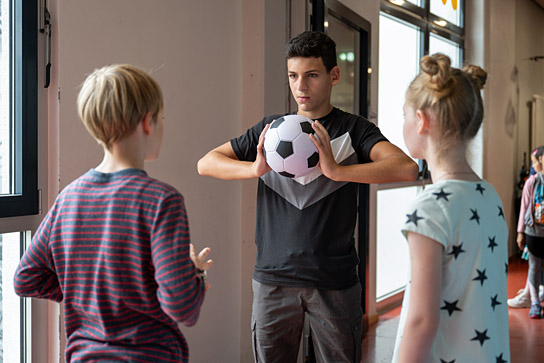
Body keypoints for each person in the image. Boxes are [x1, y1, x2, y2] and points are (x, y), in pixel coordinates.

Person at [197, 30, 418, 362]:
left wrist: (337, 170)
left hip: (335, 282)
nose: (300, 86)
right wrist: (254, 169)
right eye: (293, 75)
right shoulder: (270, 131)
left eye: (312, 75)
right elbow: (206, 162)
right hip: (273, 279)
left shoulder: (353, 130)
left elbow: (405, 168)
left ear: (334, 75)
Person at [13, 64, 213, 363]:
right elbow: (182, 307)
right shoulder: (161, 201)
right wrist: (195, 274)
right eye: (160, 117)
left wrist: (92, 297)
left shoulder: (67, 199)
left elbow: (26, 278)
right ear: (147, 122)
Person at [391, 54, 510, 362]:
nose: (402, 123)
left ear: (421, 121)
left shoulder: (430, 209)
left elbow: (421, 321)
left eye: (404, 115)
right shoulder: (489, 195)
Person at [512, 146, 544, 318]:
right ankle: (534, 303)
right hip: (534, 231)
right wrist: (520, 232)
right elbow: (524, 207)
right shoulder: (532, 182)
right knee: (533, 267)